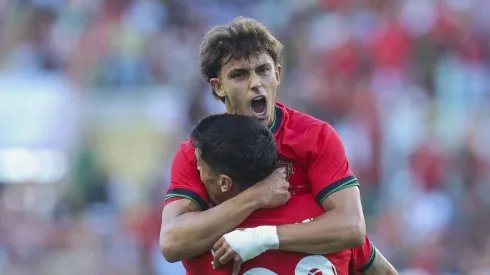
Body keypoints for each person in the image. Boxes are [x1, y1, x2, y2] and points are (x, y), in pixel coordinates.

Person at [161, 16, 364, 271]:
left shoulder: (315, 137)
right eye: (239, 75)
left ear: (277, 74)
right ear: (218, 86)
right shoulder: (199, 153)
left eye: (263, 70)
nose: (256, 83)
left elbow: (352, 228)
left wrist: (263, 238)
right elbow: (171, 241)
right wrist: (256, 197)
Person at [186, 113, 398, 274]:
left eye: (200, 167)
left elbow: (173, 243)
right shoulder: (329, 226)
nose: (197, 172)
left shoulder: (210, 245)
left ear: (224, 182)